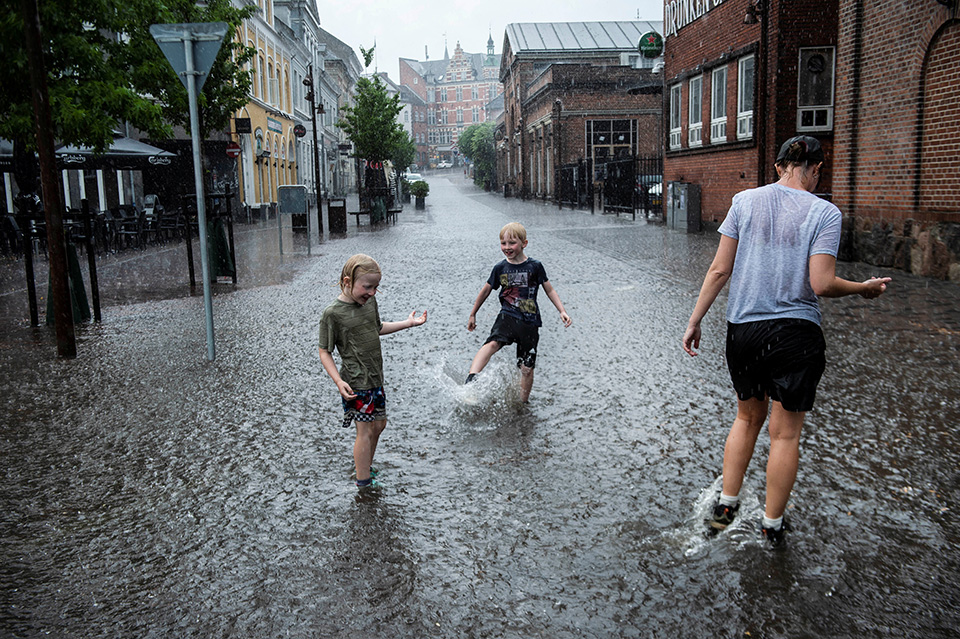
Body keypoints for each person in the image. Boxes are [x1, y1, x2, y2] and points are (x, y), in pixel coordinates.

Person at [682, 135, 891, 547]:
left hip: (744, 330)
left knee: (746, 419)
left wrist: (695, 320)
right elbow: (822, 283)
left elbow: (719, 270)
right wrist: (862, 288)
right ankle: (772, 526)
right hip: (796, 333)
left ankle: (725, 510)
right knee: (785, 435)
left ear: (779, 167)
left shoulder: (744, 201)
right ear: (815, 169)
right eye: (817, 172)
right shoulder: (825, 213)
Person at [318, 254, 427, 490]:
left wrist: (407, 323)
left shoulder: (369, 303)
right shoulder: (333, 314)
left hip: (375, 377)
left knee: (380, 425)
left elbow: (377, 328)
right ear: (347, 281)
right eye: (367, 287)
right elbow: (324, 351)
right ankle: (363, 481)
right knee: (365, 430)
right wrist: (338, 381)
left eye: (376, 287)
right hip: (356, 381)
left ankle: (365, 465)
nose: (372, 292)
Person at [466, 222, 572, 403]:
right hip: (507, 316)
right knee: (492, 343)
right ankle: (471, 380)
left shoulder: (535, 266)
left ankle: (523, 402)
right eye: (503, 243)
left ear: (524, 243)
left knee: (526, 368)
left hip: (529, 322)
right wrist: (473, 313)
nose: (507, 248)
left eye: (512, 243)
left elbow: (549, 290)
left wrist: (561, 310)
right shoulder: (500, 268)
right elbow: (485, 291)